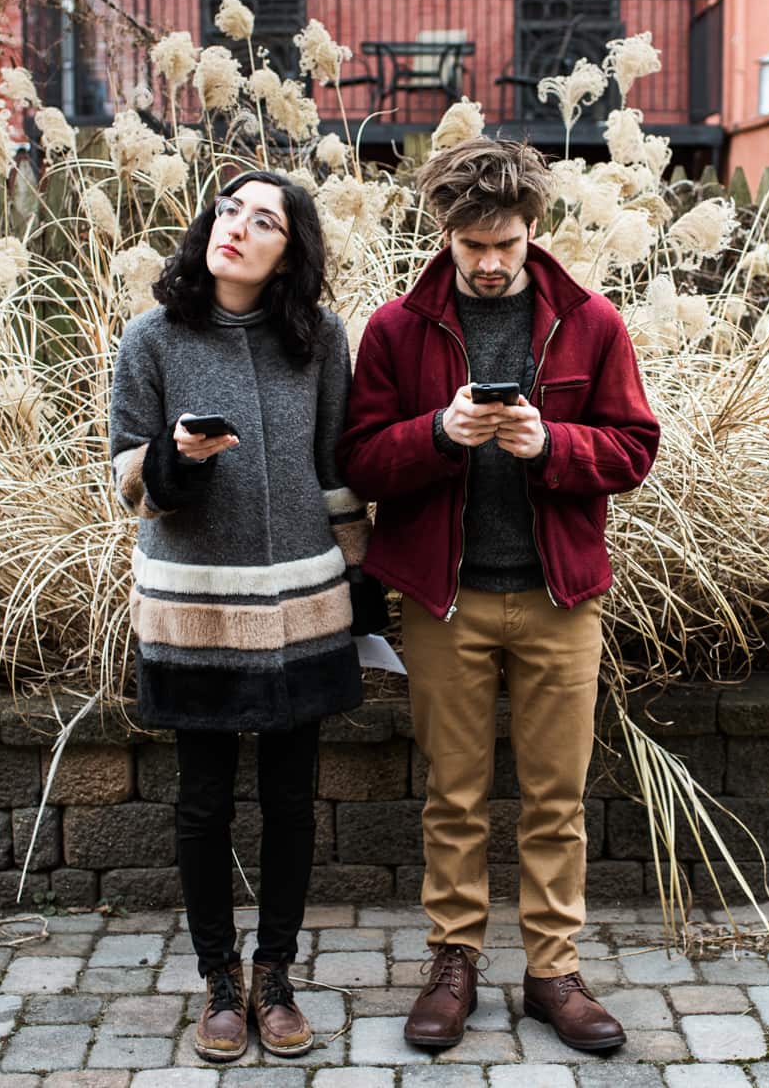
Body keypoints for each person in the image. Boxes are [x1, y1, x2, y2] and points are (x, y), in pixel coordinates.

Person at [339, 136, 660, 1052]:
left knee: (558, 796)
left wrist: (552, 445)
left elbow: (634, 448)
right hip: (445, 599)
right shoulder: (399, 328)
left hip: (561, 597)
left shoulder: (590, 321)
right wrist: (438, 433)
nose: (485, 263)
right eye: (469, 244)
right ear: (445, 233)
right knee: (455, 793)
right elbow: (359, 459)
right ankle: (455, 963)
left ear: (533, 231)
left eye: (504, 244)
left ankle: (552, 971)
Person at [109, 169, 369, 1062]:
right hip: (197, 607)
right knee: (203, 802)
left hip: (302, 601)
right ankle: (220, 981)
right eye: (230, 211)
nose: (239, 229)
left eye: (265, 221)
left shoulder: (319, 339)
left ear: (289, 249)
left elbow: (338, 467)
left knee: (292, 798)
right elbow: (128, 483)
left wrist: (360, 584)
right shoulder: (151, 337)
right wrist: (176, 458)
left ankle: (276, 974)